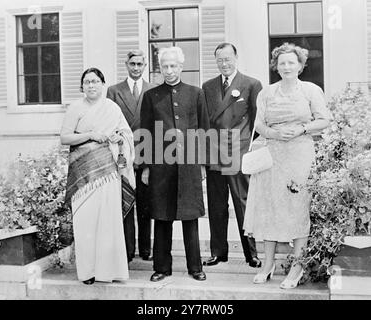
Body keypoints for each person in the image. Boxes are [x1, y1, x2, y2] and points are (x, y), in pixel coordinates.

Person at [243, 43, 331, 289]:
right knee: (270, 206)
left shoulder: (311, 90)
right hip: (272, 154)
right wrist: (272, 132)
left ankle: (297, 266)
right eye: (282, 63)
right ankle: (267, 264)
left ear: (301, 65)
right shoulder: (267, 93)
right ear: (276, 66)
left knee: (297, 206)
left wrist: (302, 128)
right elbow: (258, 124)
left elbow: (324, 119)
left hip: (300, 154)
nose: (286, 67)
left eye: (291, 62)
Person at [140, 46, 209, 282]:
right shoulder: (151, 96)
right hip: (161, 165)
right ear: (160, 68)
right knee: (162, 216)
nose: (169, 71)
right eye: (164, 66)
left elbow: (203, 131)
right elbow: (145, 132)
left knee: (190, 217)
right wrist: (147, 166)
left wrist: (202, 164)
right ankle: (162, 267)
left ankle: (195, 267)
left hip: (189, 164)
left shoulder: (196, 93)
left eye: (173, 66)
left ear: (181, 66)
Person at [61, 67, 135, 285]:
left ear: (103, 84)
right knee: (86, 221)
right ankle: (87, 272)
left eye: (95, 81)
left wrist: (117, 138)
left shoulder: (112, 108)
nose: (91, 85)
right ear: (82, 86)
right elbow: (65, 138)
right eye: (87, 82)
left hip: (108, 171)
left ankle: (109, 271)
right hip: (83, 174)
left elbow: (127, 134)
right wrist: (90, 135)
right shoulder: (76, 107)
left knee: (108, 222)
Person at [202, 43, 262, 268]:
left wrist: (245, 147)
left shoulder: (251, 84)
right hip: (215, 155)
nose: (224, 64)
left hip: (238, 154)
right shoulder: (207, 87)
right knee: (216, 206)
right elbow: (206, 122)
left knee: (242, 204)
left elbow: (257, 122)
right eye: (220, 60)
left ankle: (251, 253)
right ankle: (219, 252)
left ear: (236, 58)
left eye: (228, 59)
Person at [107, 50, 155, 262]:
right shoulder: (114, 91)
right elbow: (109, 123)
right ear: (126, 64)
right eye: (132, 64)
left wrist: (150, 162)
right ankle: (127, 250)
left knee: (145, 205)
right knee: (125, 204)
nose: (136, 68)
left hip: (145, 154)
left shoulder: (153, 89)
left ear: (145, 66)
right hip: (122, 155)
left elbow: (156, 127)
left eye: (140, 64)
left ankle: (146, 249)